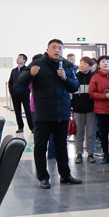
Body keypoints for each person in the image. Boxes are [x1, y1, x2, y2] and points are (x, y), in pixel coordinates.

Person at [19, 38, 82, 189]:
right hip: (43, 113)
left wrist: (65, 78)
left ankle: (65, 175)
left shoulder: (67, 66)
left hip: (62, 112)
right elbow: (20, 82)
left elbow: (75, 87)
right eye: (54, 47)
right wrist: (30, 75)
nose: (57, 50)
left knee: (61, 146)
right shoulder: (37, 64)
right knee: (41, 146)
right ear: (47, 49)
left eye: (60, 48)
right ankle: (43, 177)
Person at [89, 55, 109, 164]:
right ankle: (106, 155)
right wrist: (104, 96)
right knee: (103, 133)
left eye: (107, 61)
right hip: (101, 109)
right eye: (103, 62)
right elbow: (92, 93)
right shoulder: (95, 77)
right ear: (99, 65)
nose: (105, 63)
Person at [72, 57, 97, 164]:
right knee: (79, 133)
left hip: (91, 109)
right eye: (81, 63)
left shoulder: (94, 77)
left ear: (90, 66)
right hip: (77, 109)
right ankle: (79, 154)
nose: (82, 65)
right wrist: (71, 107)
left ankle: (91, 153)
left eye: (85, 63)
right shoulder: (74, 77)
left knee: (91, 133)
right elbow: (71, 94)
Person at [8, 53, 33, 133]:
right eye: (18, 57)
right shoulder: (14, 71)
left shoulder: (27, 70)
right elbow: (10, 82)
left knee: (27, 111)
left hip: (24, 94)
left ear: (24, 60)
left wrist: (28, 91)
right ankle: (20, 127)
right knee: (17, 112)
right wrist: (11, 91)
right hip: (15, 94)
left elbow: (30, 82)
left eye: (20, 57)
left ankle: (32, 127)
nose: (18, 58)